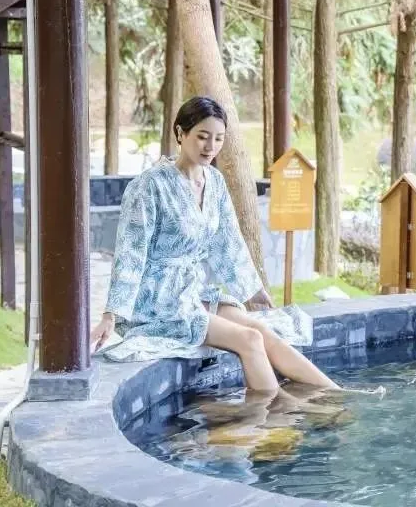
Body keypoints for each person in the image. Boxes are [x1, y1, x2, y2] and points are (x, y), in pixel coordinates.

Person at [89, 95, 340, 395]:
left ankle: (335, 395)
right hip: (158, 301)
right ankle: (275, 415)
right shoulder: (149, 185)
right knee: (250, 341)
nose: (210, 146)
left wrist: (253, 290)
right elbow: (131, 252)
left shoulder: (215, 182)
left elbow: (228, 241)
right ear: (181, 133)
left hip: (193, 291)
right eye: (202, 136)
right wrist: (112, 314)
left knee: (262, 331)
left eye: (219, 138)